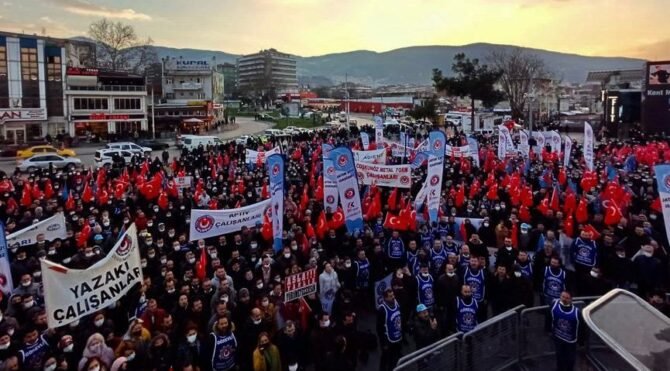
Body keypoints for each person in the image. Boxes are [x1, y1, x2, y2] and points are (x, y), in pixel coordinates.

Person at [551, 291, 580, 371]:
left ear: (571, 300)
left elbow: (580, 328)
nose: (564, 299)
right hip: (558, 338)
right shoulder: (554, 305)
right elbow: (551, 319)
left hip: (570, 342)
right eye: (563, 297)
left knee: (570, 359)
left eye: (567, 298)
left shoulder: (576, 312)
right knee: (559, 357)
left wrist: (580, 341)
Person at [376, 289, 402, 371]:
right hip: (388, 340)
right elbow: (379, 328)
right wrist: (383, 343)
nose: (393, 297)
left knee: (396, 356)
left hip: (397, 336)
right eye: (390, 296)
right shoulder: (382, 310)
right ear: (385, 298)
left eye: (393, 295)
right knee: (386, 358)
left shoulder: (397, 303)